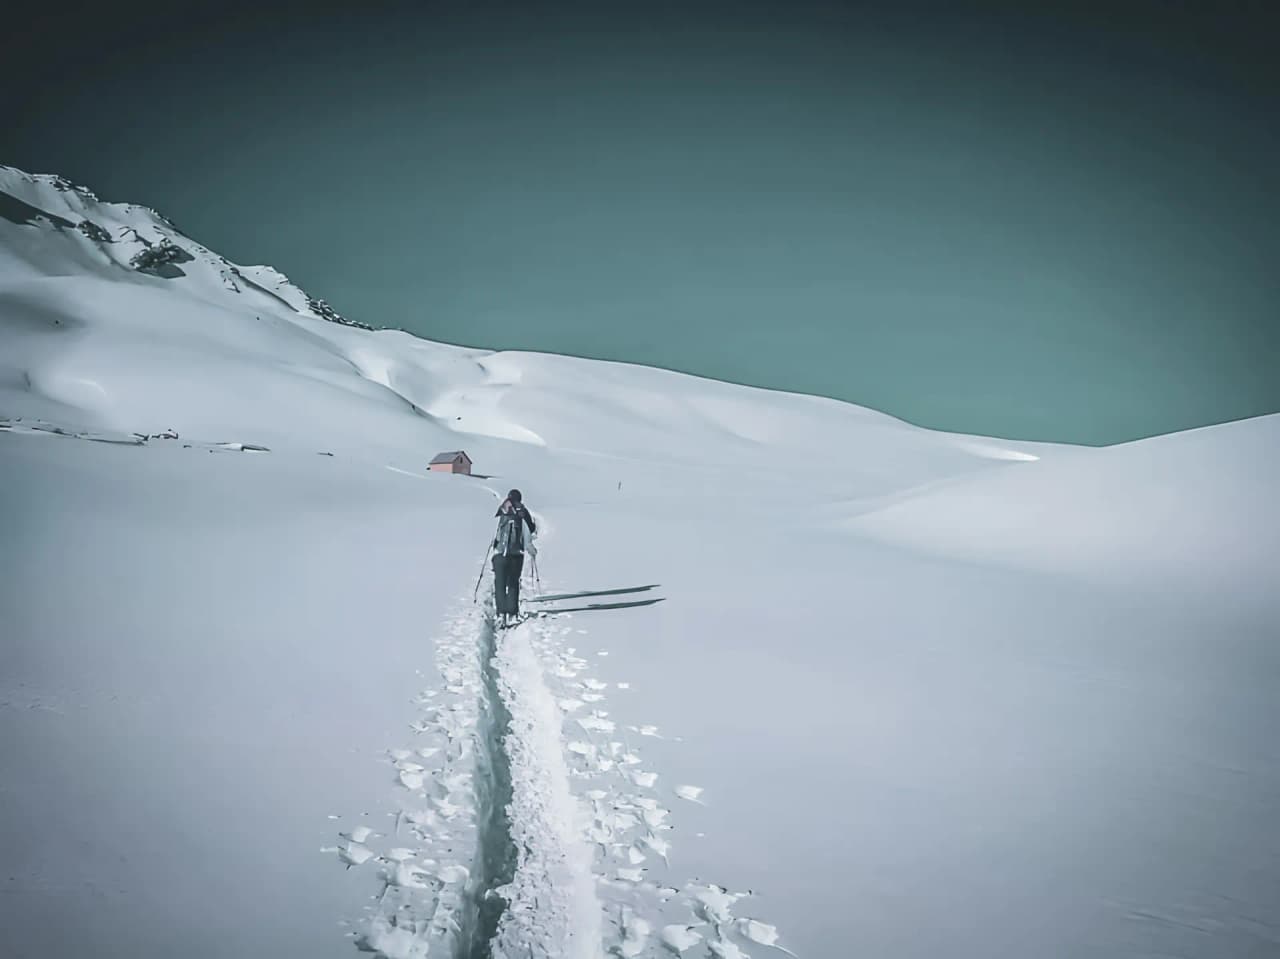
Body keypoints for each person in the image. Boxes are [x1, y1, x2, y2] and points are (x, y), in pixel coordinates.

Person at [492, 489, 536, 625]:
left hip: (499, 554)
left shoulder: (503, 510)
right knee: (513, 583)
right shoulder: (522, 513)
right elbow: (528, 533)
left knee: (499, 584)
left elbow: (497, 533)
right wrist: (532, 550)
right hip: (516, 555)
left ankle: (501, 613)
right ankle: (512, 614)